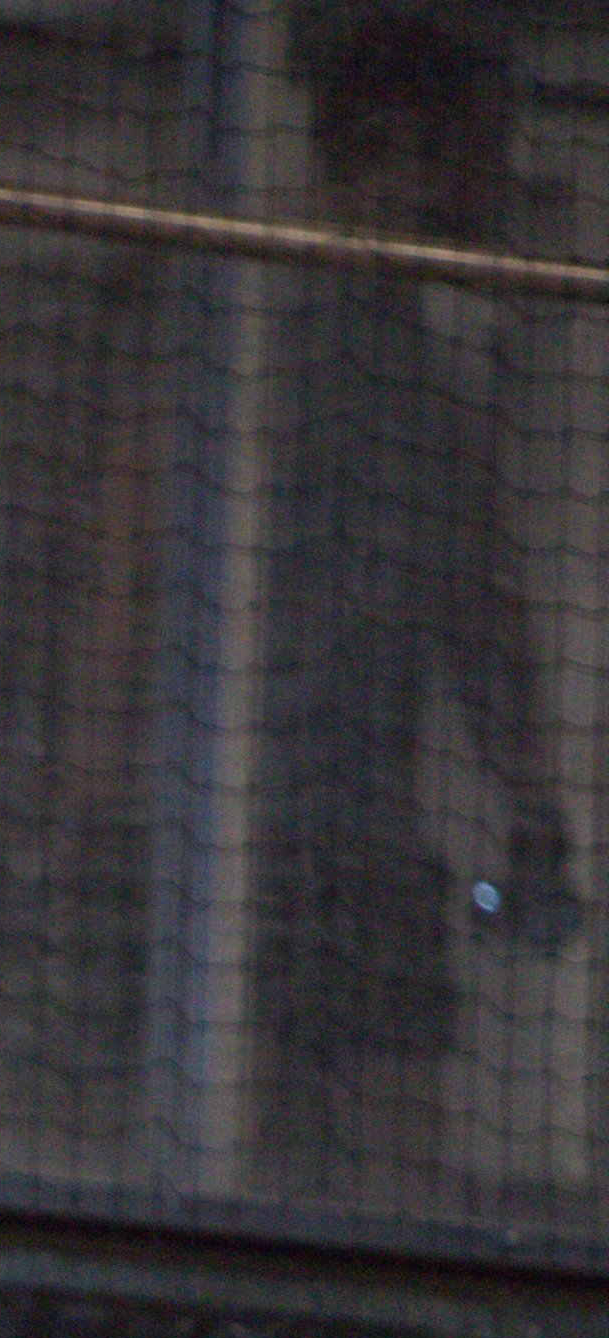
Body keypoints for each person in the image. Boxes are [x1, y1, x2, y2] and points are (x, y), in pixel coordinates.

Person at [260, 4, 581, 1181]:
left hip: (360, 852)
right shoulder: (257, 339)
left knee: (395, 1166)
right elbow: (129, 566)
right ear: (402, 151)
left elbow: (483, 611)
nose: (494, 182)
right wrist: (90, 827)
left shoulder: (426, 397)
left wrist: (538, 812)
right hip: (244, 841)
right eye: (477, 149)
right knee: (243, 1156)